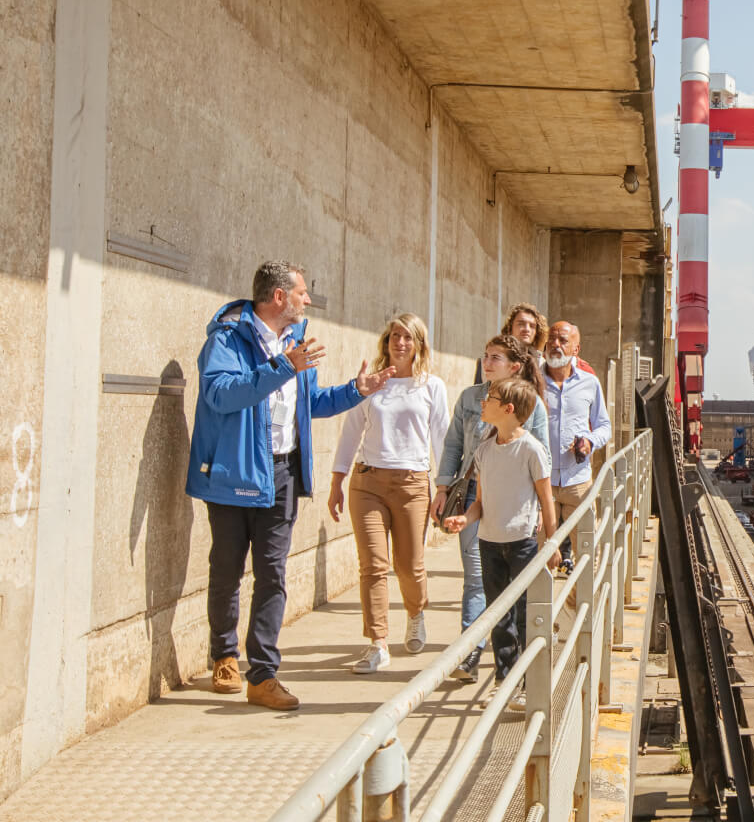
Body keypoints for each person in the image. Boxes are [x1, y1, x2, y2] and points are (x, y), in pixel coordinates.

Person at [187, 261, 393, 710]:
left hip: (282, 474)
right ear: (278, 296)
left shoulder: (297, 342)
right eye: (302, 292)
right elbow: (221, 394)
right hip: (234, 472)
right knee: (226, 569)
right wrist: (282, 366)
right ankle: (224, 655)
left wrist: (357, 390)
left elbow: (309, 404)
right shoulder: (226, 338)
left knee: (273, 575)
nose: (308, 300)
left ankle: (263, 676)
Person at [329, 314, 449, 674]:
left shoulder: (431, 386)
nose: (400, 343)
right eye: (395, 336)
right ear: (386, 341)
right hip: (367, 482)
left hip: (413, 484)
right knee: (373, 566)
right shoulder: (372, 383)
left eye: (408, 338)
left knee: (409, 566)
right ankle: (378, 643)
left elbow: (442, 438)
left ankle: (416, 612)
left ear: (419, 345)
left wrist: (444, 488)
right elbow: (351, 431)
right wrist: (336, 480)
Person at [433, 334, 552, 683]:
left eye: (495, 357)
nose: (486, 362)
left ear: (514, 366)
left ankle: (523, 668)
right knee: (478, 580)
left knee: (519, 596)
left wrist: (545, 529)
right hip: (475, 497)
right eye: (485, 356)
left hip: (517, 508)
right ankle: (472, 649)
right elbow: (454, 444)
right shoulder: (470, 398)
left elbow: (541, 462)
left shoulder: (531, 406)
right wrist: (443, 488)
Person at [541, 320, 610, 529]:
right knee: (541, 552)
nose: (555, 345)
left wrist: (589, 441)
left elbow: (604, 426)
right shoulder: (533, 381)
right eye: (551, 340)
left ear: (576, 349)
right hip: (541, 482)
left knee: (587, 551)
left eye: (563, 340)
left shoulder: (590, 383)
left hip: (578, 481)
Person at [476, 302, 546, 384]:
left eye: (532, 326)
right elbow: (477, 394)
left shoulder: (542, 364)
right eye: (521, 324)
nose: (527, 329)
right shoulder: (486, 361)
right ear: (510, 327)